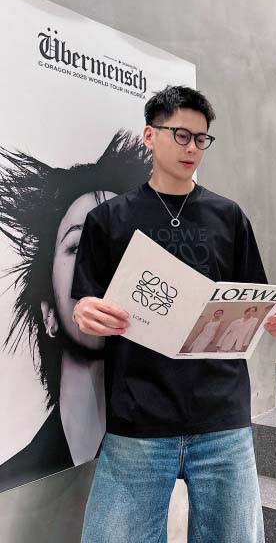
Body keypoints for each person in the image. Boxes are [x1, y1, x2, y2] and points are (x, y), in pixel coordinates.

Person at [72, 85, 276, 543]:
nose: (192, 147)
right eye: (181, 135)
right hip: (138, 416)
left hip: (221, 416)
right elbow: (85, 301)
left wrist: (275, 316)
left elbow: (257, 298)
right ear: (149, 136)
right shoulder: (108, 219)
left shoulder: (229, 216)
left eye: (201, 138)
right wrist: (84, 311)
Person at [0, 131, 151, 493]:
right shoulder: (13, 481)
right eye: (78, 244)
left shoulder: (167, 448)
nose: (101, 262)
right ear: (49, 313)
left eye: (119, 243)